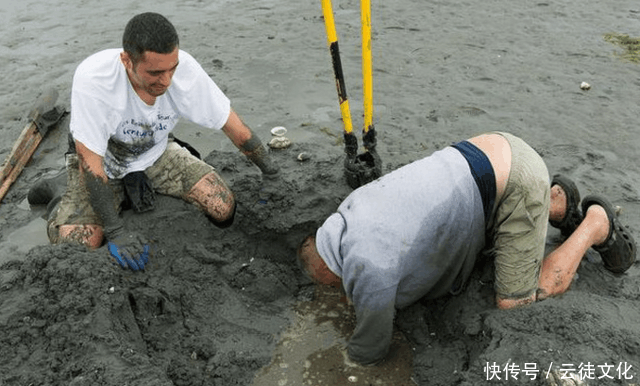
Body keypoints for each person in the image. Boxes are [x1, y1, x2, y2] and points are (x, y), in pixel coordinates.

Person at [297, 131, 637, 366]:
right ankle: (555, 200)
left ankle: (595, 224)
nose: (341, 293)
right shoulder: (350, 209)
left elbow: (369, 349)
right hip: (485, 154)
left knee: (515, 302)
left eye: (333, 287)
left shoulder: (367, 265)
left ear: (335, 269)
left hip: (516, 178)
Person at [31, 12, 280, 271]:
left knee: (222, 206)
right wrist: (116, 231)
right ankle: (58, 193)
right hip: (102, 159)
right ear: (127, 60)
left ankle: (137, 182)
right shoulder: (94, 79)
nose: (167, 81)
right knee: (77, 246)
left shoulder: (186, 69)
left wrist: (271, 173)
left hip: (155, 148)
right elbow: (91, 163)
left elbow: (233, 125)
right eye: (156, 72)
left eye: (172, 68)